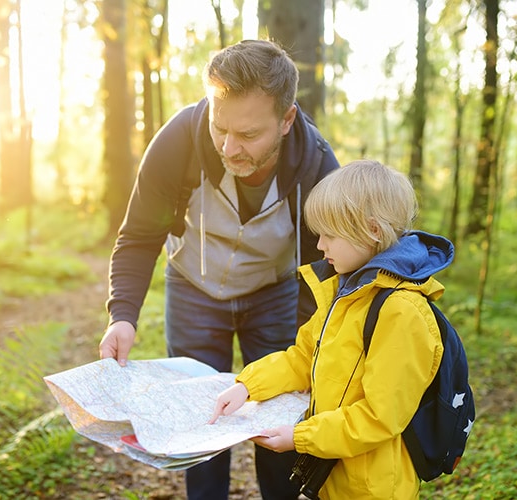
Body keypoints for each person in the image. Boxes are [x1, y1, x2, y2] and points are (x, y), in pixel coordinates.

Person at [99, 39, 340, 500]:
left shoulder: (317, 169)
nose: (230, 147)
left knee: (276, 416)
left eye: (249, 135)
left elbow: (325, 269)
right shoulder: (177, 143)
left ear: (286, 120)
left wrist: (309, 350)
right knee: (200, 422)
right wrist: (123, 315)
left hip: (274, 296)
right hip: (193, 289)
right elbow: (138, 236)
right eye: (220, 126)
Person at [209, 159, 455, 499]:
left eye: (329, 235)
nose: (320, 246)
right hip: (334, 473)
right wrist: (248, 386)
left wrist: (300, 438)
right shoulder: (346, 291)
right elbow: (302, 358)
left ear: (371, 230)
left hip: (373, 487)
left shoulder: (402, 313)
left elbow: (380, 417)